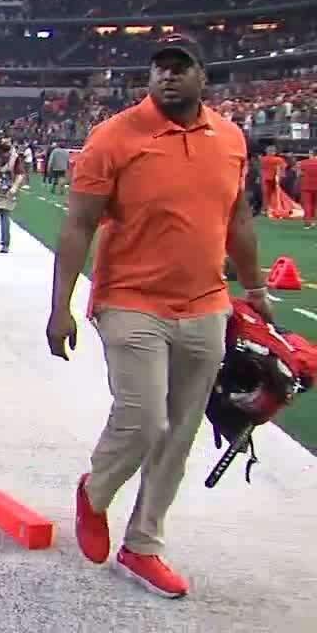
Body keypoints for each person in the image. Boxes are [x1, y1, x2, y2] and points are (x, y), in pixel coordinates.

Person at [47, 33, 270, 599]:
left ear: (203, 76)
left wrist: (258, 288)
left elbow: (238, 220)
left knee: (182, 429)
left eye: (181, 67)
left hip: (206, 302)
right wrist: (62, 306)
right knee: (146, 418)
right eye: (159, 68)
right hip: (130, 298)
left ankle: (143, 542)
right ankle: (95, 491)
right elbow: (78, 225)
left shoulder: (230, 138)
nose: (168, 77)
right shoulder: (114, 136)